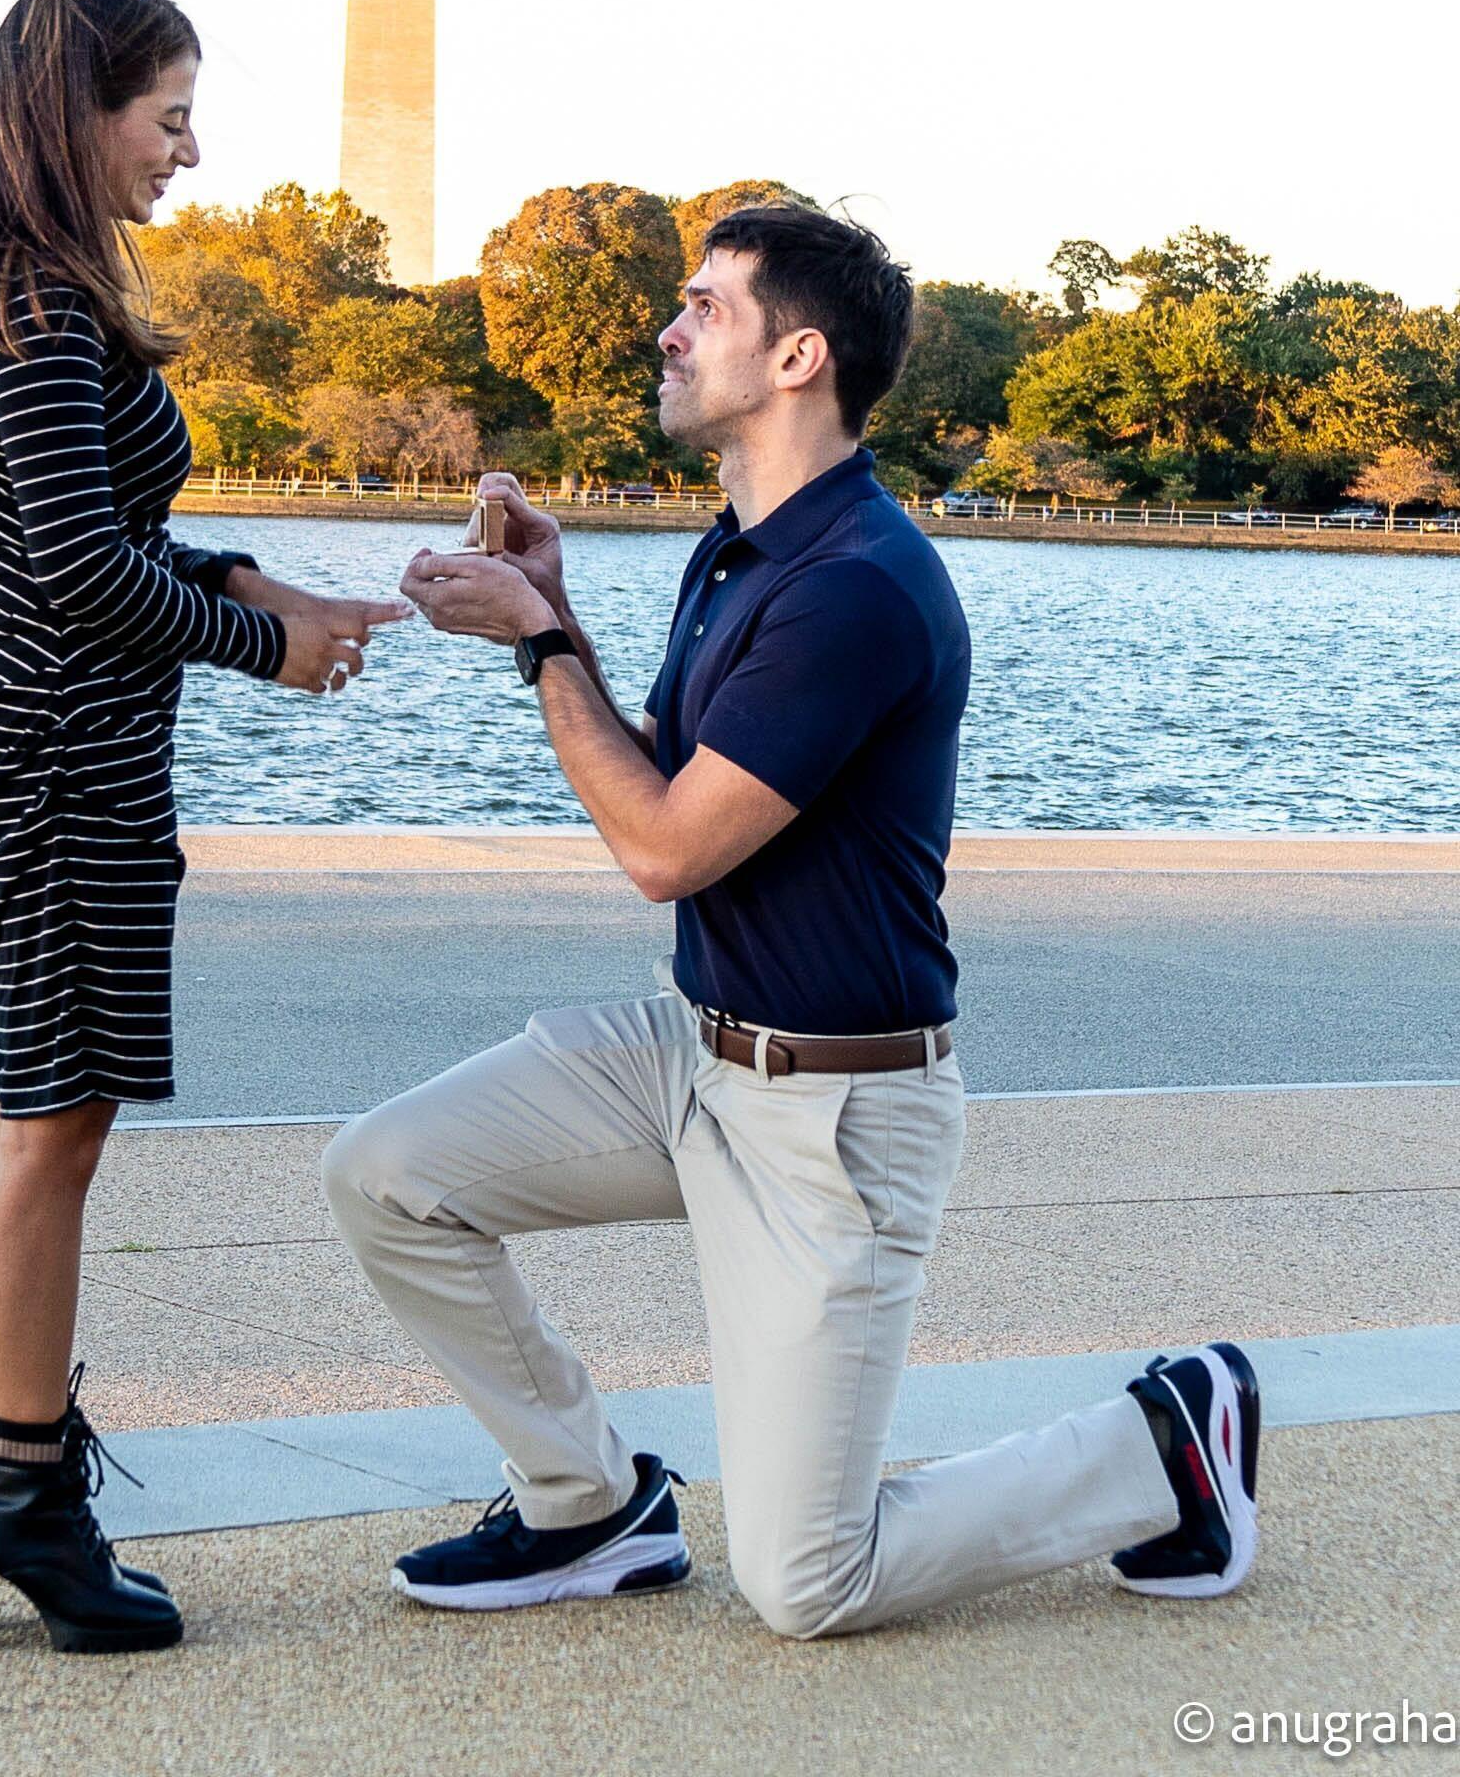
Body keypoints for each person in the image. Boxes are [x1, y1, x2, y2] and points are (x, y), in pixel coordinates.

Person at [325, 203, 1258, 1636]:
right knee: (389, 1174)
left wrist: (536, 637)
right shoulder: (746, 550)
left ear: (799, 356)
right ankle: (588, 1504)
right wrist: (560, 608)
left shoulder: (859, 588)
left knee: (810, 1579)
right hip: (689, 1052)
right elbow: (680, 781)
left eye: (706, 305)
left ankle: (1165, 1441)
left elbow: (662, 850)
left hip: (833, 1116)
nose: (669, 326)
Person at [0, 0, 405, 1654]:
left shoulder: (25, 296)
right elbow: (67, 578)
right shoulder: (37, 316)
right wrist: (269, 648)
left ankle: (23, 1479)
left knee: (62, 1118)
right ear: (79, 110)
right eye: (170, 114)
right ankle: (24, 1494)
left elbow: (107, 548)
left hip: (69, 746)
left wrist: (273, 588)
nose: (189, 153)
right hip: (57, 752)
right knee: (46, 1124)